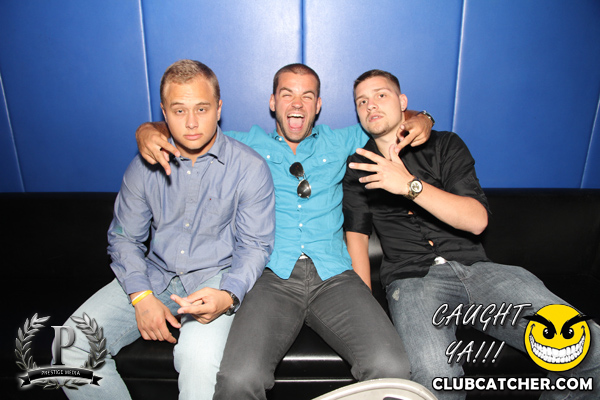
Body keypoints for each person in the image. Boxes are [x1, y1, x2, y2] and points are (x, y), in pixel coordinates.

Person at [135, 63, 434, 399]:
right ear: (272, 102)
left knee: (391, 367)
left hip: (334, 277)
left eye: (307, 96)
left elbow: (394, 121)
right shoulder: (244, 144)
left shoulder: (340, 141)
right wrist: (147, 130)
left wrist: (424, 118)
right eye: (287, 94)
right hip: (270, 278)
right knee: (238, 379)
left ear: (318, 105)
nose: (297, 103)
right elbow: (189, 127)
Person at [343, 69, 600, 399]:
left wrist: (409, 185)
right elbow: (357, 239)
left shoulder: (445, 144)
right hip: (412, 281)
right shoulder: (358, 168)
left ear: (402, 101)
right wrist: (366, 310)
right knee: (435, 376)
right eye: (362, 101)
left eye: (381, 95)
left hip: (479, 271)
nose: (371, 105)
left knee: (587, 348)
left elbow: (477, 221)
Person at [59, 60, 275, 400]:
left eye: (202, 108)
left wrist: (228, 295)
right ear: (164, 112)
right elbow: (124, 238)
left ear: (219, 109)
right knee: (69, 345)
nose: (191, 123)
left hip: (213, 278)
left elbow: (255, 246)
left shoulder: (249, 168)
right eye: (179, 110)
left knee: (198, 357)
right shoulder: (143, 167)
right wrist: (141, 296)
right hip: (154, 275)